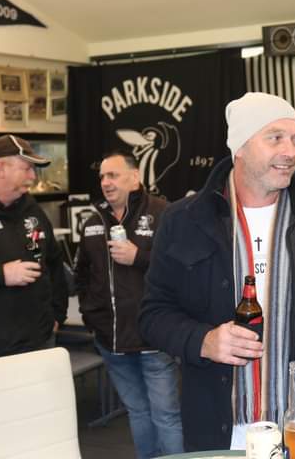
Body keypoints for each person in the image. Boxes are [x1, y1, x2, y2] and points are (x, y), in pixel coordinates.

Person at [139, 92, 295, 452]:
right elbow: (153, 314)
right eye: (275, 138)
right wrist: (203, 340)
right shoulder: (184, 221)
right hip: (218, 423)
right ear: (240, 147)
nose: (290, 152)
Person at [75, 152, 183, 458]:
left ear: (135, 177)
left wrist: (139, 258)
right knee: (137, 412)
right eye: (102, 177)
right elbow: (82, 275)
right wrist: (91, 316)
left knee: (166, 415)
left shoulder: (164, 213)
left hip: (153, 339)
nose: (105, 182)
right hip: (111, 342)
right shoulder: (93, 221)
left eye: (113, 175)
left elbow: (181, 269)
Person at [0, 134, 68, 358]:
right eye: (26, 169)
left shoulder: (32, 209)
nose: (33, 176)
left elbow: (54, 262)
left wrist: (57, 315)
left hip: (41, 339)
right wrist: (1, 274)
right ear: (1, 168)